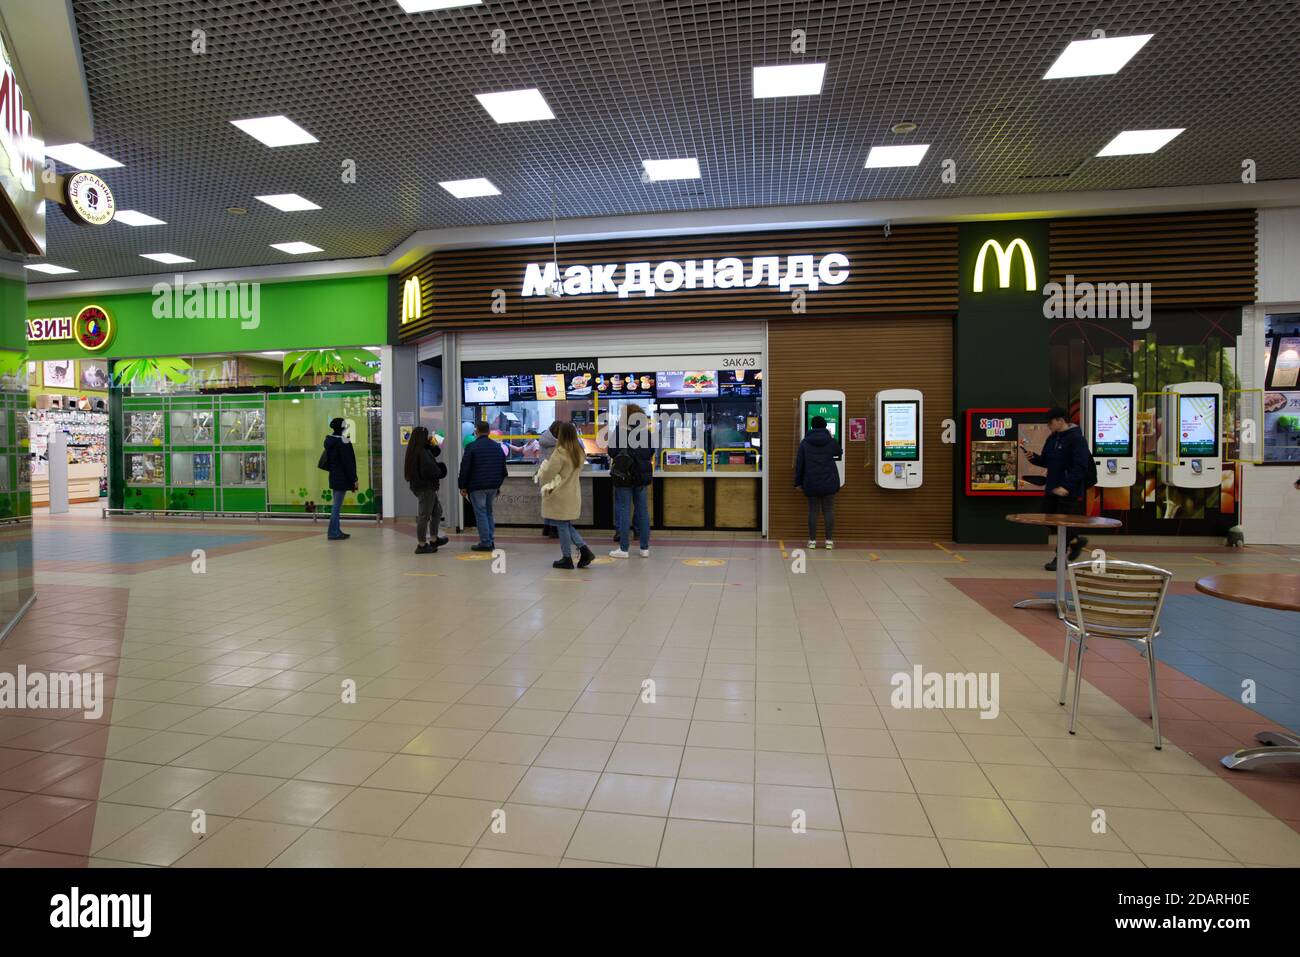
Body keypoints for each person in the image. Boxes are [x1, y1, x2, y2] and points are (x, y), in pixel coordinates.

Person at [1019, 406, 1093, 571]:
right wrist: (1034, 458)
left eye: (1050, 422)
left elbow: (1081, 467)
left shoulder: (1077, 439)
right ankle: (1076, 540)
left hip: (1069, 491)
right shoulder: (1052, 438)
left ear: (1061, 420)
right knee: (1048, 519)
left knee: (1062, 523)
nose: (1048, 426)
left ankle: (1060, 559)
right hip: (1052, 487)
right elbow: (1046, 460)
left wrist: (1066, 486)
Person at [537, 421, 595, 569]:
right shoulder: (579, 451)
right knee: (565, 524)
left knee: (562, 526)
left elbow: (549, 473)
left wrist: (542, 477)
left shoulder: (560, 452)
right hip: (572, 492)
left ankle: (568, 557)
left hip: (559, 494)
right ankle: (583, 551)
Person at [608, 403, 654, 558]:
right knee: (642, 510)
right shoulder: (646, 432)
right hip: (641, 476)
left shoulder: (620, 432)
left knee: (624, 509)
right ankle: (644, 548)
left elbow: (611, 451)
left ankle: (624, 549)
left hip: (624, 476)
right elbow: (651, 452)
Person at [458, 419, 507, 551]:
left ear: (476, 432)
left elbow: (465, 468)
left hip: (477, 486)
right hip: (492, 486)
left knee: (481, 513)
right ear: (489, 432)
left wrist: (462, 486)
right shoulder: (497, 447)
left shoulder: (471, 447)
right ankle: (490, 539)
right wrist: (498, 485)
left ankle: (485, 542)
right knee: (488, 512)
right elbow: (503, 470)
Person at [795, 415, 841, 549]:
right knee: (828, 510)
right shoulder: (831, 441)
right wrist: (832, 438)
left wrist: (798, 482)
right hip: (829, 480)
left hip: (811, 481)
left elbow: (800, 464)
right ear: (825, 426)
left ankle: (812, 541)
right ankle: (829, 541)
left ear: (812, 426)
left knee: (813, 511)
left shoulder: (805, 442)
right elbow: (839, 452)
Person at [404, 426, 448, 554]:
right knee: (424, 516)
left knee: (437, 511)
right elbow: (430, 470)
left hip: (423, 487)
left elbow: (436, 452)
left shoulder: (417, 450)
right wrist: (440, 471)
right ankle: (421, 544)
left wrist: (432, 443)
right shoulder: (422, 453)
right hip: (426, 488)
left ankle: (434, 539)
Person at [322, 417, 357, 541]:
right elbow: (349, 463)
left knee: (336, 505)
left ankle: (336, 530)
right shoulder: (344, 442)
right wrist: (354, 479)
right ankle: (333, 532)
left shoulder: (329, 441)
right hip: (342, 478)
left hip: (333, 477)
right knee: (336, 507)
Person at [537, 421, 560, 538]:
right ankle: (553, 529)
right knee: (554, 502)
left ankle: (547, 527)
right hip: (553, 474)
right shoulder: (557, 443)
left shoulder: (544, 438)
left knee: (547, 501)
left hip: (543, 473)